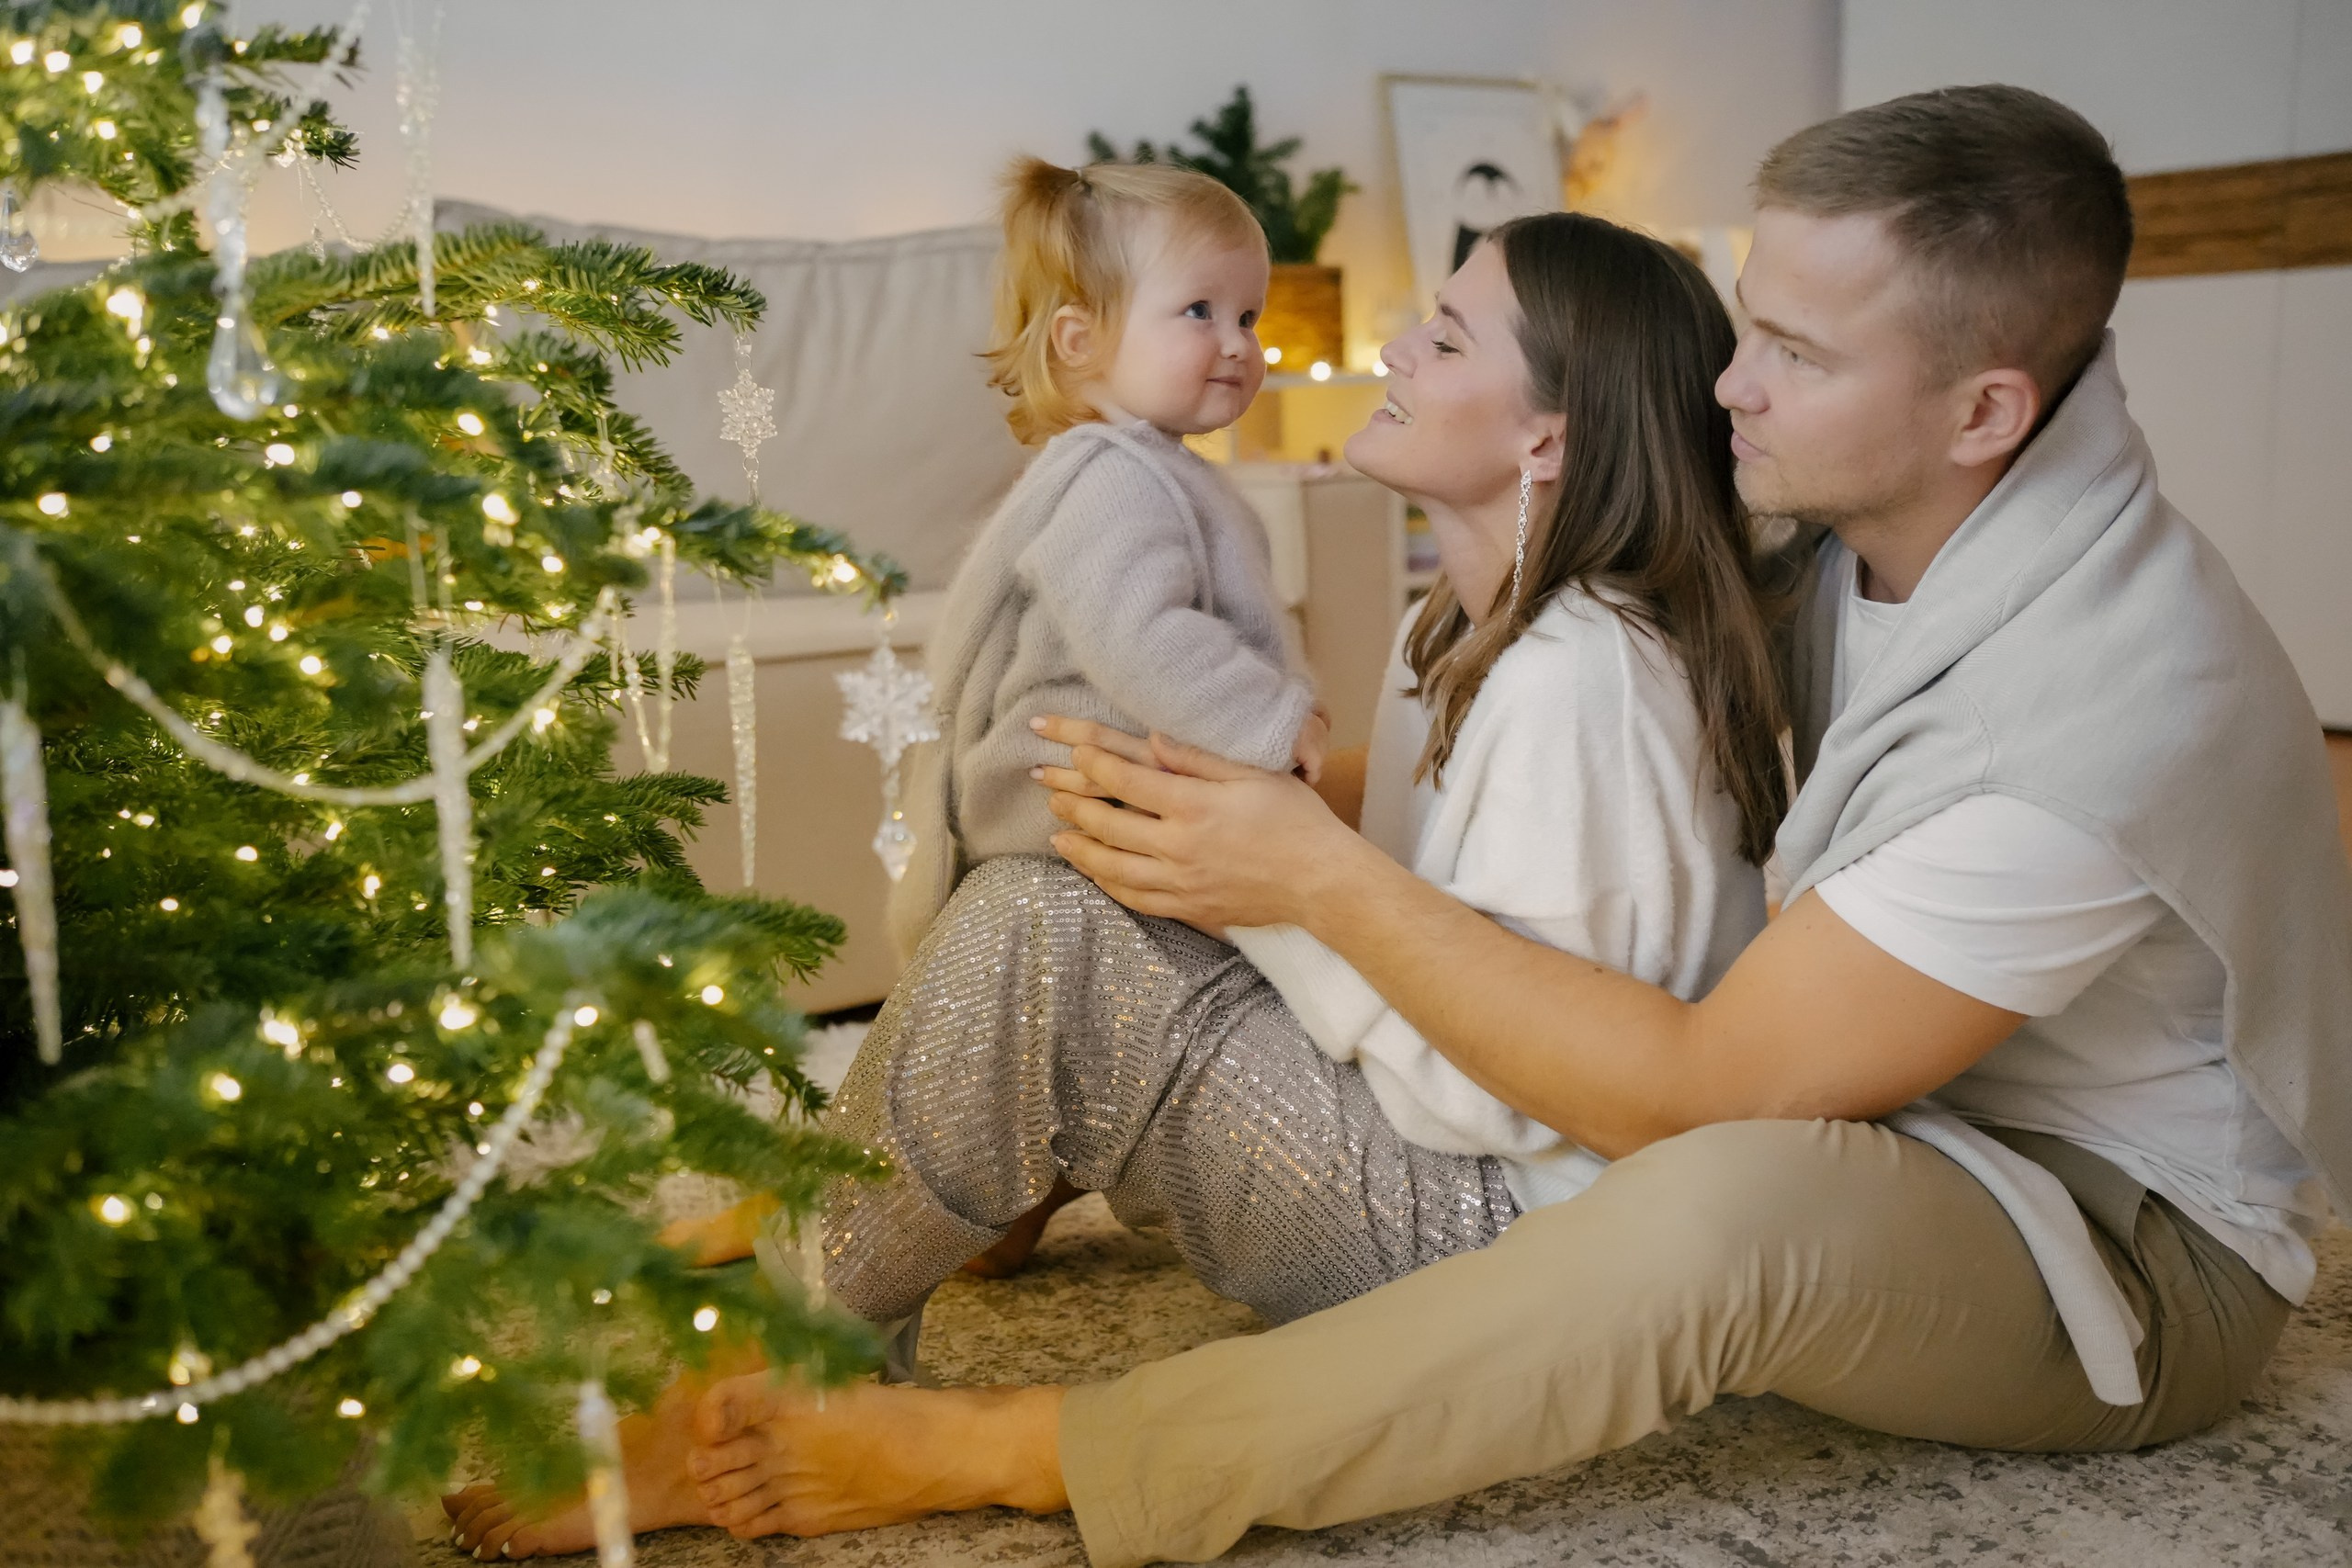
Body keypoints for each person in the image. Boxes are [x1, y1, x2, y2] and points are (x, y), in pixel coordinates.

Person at [483, 83, 2352, 1565]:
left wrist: (1299, 876)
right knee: (1080, 915)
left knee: (1724, 1202)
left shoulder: (2091, 716)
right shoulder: (1825, 510)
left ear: (1986, 408)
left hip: (2107, 1242)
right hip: (1822, 1088)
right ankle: (904, 1201)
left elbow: (1698, 1094)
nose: (1727, 383)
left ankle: (1014, 1442)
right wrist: (1235, 834)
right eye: (1742, 319)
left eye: (1789, 349)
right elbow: (1544, 726)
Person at [444, 201, 1791, 1558]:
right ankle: (922, 1180)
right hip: (1439, 1150)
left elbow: (1505, 1090)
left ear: (1547, 438)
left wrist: (1265, 888)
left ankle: (747, 1392)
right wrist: (1214, 853)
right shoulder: (1454, 625)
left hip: (1495, 1235)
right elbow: (1405, 907)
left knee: (1050, 935)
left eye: (1443, 339)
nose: (1390, 348)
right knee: (1072, 893)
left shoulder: (1582, 678)